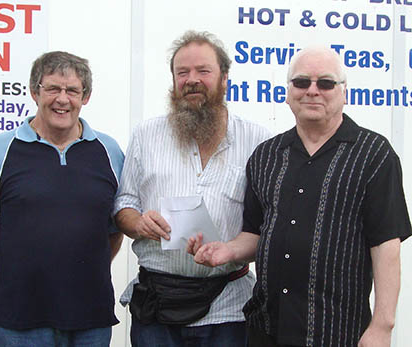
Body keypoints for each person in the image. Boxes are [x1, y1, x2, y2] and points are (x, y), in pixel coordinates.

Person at [187, 46, 412, 347]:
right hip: (267, 330)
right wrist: (226, 251)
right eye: (302, 82)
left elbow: (386, 246)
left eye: (326, 83)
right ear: (288, 92)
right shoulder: (266, 156)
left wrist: (383, 326)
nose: (313, 91)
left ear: (344, 92)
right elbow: (255, 234)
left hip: (338, 332)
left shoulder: (374, 155)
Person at [114, 30, 272, 346]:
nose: (192, 79)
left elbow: (268, 225)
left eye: (203, 71)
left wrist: (228, 249)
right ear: (173, 80)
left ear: (225, 78)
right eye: (182, 72)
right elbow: (124, 204)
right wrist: (139, 223)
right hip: (156, 310)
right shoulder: (147, 134)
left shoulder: (258, 141)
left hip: (228, 309)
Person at [0, 51, 124, 346]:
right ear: (34, 92)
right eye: (52, 88)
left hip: (91, 318)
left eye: (72, 90)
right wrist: (18, 284)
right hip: (20, 322)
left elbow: (114, 230)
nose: (62, 99)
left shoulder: (109, 151)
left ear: (85, 97)